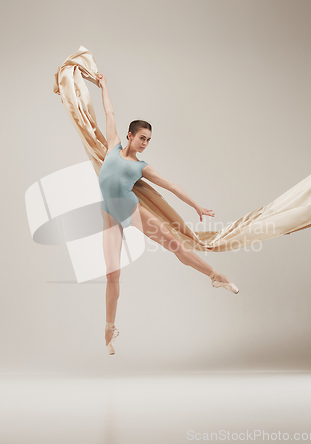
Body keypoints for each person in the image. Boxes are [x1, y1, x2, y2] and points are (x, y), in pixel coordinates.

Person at [96, 72, 239, 355]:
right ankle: (109, 330)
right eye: (142, 138)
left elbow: (171, 185)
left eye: (149, 140)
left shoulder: (141, 167)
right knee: (112, 276)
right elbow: (109, 112)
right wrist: (103, 85)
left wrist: (196, 205)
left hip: (133, 211)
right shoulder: (112, 147)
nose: (145, 143)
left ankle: (215, 275)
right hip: (110, 219)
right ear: (129, 135)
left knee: (176, 245)